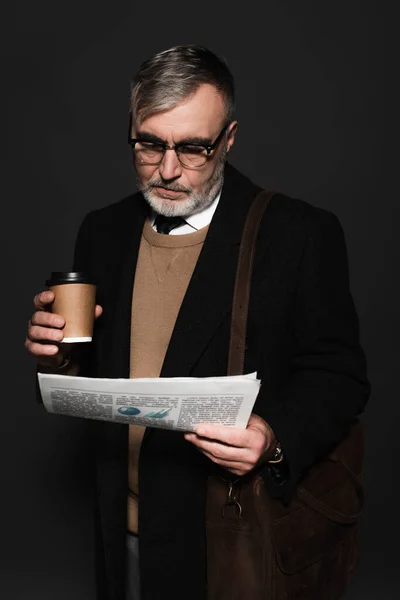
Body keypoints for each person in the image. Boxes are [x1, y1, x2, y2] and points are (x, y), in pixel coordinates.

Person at [25, 45, 370, 600]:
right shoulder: (103, 231)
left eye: (193, 148)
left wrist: (272, 435)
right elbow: (96, 371)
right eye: (149, 144)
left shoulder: (300, 233)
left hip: (230, 542)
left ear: (229, 140)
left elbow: (341, 374)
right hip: (125, 533)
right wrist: (55, 357)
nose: (166, 170)